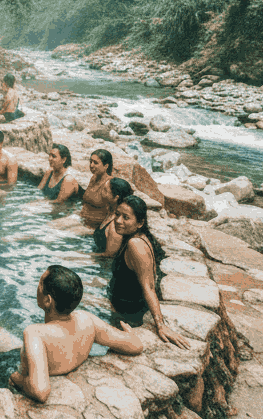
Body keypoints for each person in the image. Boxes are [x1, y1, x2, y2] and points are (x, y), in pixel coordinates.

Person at [0, 267, 143, 403]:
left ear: (48, 301)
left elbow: (41, 390)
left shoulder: (36, 333)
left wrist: (15, 378)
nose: (37, 286)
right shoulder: (87, 319)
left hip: (7, 368)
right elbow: (135, 346)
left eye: (40, 284)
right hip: (29, 354)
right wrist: (130, 333)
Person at [105, 196, 190, 348]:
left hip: (127, 315)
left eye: (126, 217)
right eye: (117, 214)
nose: (118, 220)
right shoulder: (134, 237)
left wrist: (160, 325)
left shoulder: (135, 244)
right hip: (119, 305)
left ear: (140, 223)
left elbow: (149, 286)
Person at [89, 177, 134, 257]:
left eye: (105, 191)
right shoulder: (110, 210)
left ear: (116, 198)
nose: (101, 192)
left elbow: (108, 256)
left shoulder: (116, 225)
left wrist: (80, 255)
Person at [79, 149, 115, 229]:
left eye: (95, 163)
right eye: (91, 162)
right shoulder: (94, 177)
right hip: (83, 220)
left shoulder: (109, 184)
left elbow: (113, 212)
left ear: (106, 166)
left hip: (94, 227)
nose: (91, 165)